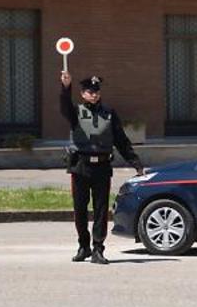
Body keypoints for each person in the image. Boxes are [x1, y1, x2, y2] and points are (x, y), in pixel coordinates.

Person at [60, 71, 143, 264]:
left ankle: (98, 249)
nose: (94, 94)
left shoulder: (109, 113)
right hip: (81, 166)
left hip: (102, 166)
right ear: (82, 94)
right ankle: (83, 246)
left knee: (101, 209)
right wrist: (66, 87)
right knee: (80, 208)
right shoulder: (76, 112)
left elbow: (121, 140)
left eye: (96, 91)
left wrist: (135, 163)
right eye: (90, 91)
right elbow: (64, 107)